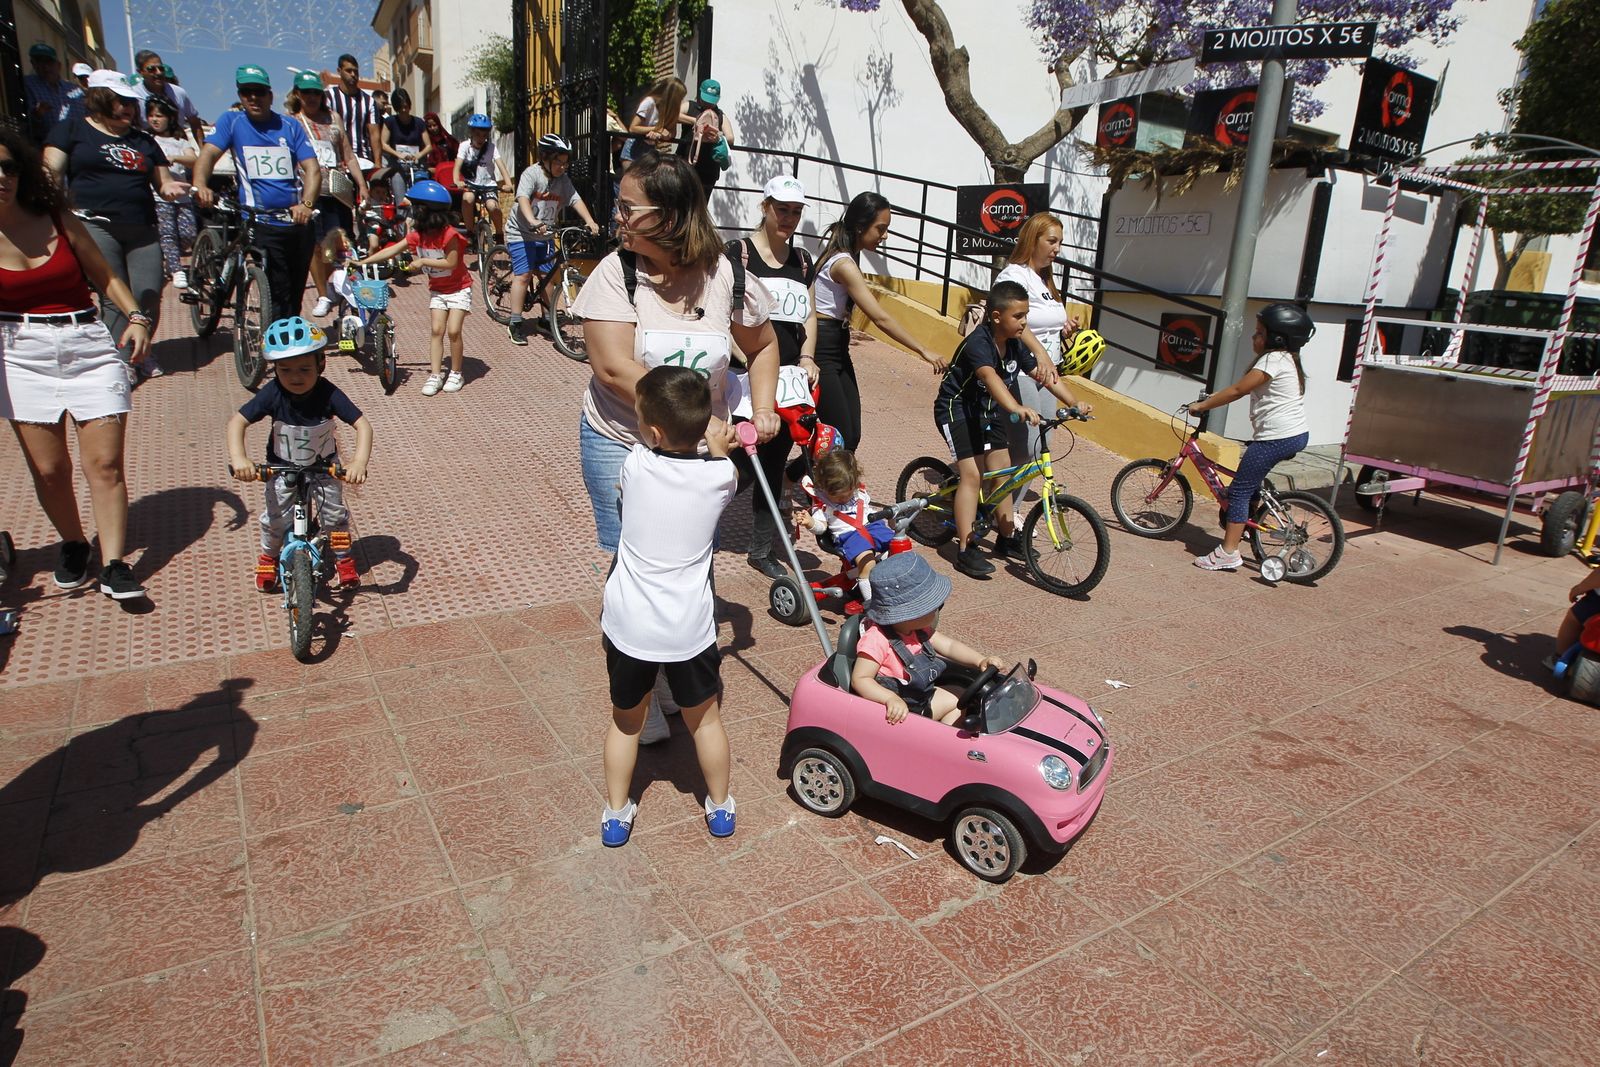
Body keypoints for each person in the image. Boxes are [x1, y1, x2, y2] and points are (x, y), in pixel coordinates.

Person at [0, 127, 153, 600]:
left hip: (87, 342)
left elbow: (104, 274)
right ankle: (73, 543)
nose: (1, 176)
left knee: (104, 464)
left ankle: (113, 563)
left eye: (7, 166)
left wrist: (136, 316)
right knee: (49, 470)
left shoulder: (57, 217)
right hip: (18, 354)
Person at [598, 365, 739, 847]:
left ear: (652, 431)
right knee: (706, 721)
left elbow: (648, 446)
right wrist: (718, 441)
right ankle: (719, 805)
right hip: (689, 630)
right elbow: (719, 461)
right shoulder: (721, 478)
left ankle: (616, 813)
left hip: (629, 624)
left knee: (625, 723)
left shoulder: (635, 464)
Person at [44, 70, 187, 381]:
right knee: (113, 293)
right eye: (119, 101)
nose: (127, 108)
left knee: (148, 293)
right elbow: (50, 171)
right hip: (94, 223)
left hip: (141, 226)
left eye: (130, 102)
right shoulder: (71, 130)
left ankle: (142, 350)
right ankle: (121, 362)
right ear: (99, 100)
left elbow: (162, 183)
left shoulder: (144, 141)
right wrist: (51, 199)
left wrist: (171, 189)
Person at [935, 280, 1084, 578]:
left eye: (1026, 314)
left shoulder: (1015, 345)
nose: (1024, 322)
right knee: (973, 476)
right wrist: (1016, 408)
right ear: (996, 317)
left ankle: (1005, 537)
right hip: (957, 410)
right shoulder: (979, 342)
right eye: (1018, 316)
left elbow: (1045, 376)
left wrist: (1074, 402)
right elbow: (990, 378)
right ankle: (965, 549)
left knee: (1003, 473)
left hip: (987, 411)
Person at [226, 316, 371, 591]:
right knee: (275, 517)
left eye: (305, 369)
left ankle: (343, 559)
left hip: (324, 467)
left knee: (334, 516)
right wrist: (240, 459)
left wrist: (359, 462)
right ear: (275, 370)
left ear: (321, 365)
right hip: (281, 467)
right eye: (285, 370)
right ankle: (269, 556)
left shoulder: (328, 393)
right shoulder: (273, 393)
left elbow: (362, 425)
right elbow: (237, 422)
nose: (295, 377)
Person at [1186, 303, 1314, 571]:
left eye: (1258, 332)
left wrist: (1202, 406)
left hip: (1276, 438)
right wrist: (1212, 399)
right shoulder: (1288, 359)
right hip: (1294, 434)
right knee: (1251, 480)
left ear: (1276, 338)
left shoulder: (1272, 359)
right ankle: (1248, 519)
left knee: (1240, 492)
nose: (1253, 337)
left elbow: (1237, 390)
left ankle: (1228, 552)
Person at [814, 191, 945, 449]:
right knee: (842, 436)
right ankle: (810, 480)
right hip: (823, 348)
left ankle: (798, 475)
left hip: (838, 346)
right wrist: (923, 350)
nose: (884, 236)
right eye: (880, 228)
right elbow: (880, 318)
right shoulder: (843, 263)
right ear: (860, 226)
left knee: (850, 435)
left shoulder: (847, 256)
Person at [735, 174, 818, 578]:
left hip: (788, 380)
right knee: (736, 459)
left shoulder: (802, 260)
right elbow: (721, 308)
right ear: (765, 207)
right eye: (782, 209)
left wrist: (807, 356)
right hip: (742, 377)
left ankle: (761, 548)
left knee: (771, 462)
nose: (789, 218)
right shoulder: (739, 253)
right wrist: (743, 355)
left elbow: (810, 314)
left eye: (796, 211)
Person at [192, 65, 320, 326]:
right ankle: (277, 347)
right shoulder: (232, 121)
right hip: (260, 220)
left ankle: (289, 340)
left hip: (296, 221)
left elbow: (313, 170)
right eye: (246, 92)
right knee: (277, 288)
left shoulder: (290, 125)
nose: (253, 98)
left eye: (259, 92)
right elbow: (207, 155)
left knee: (294, 291)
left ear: (270, 95)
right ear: (240, 95)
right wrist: (200, 184)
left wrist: (306, 205)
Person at [996, 212, 1092, 514]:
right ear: (1032, 239)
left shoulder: (1044, 280)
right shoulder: (1014, 276)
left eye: (1060, 242)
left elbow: (1042, 322)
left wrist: (1063, 329)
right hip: (1020, 369)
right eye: (1051, 241)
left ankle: (1009, 515)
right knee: (1026, 448)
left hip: (1048, 373)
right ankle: (1003, 515)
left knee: (1041, 449)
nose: (1057, 248)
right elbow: (1016, 325)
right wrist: (1040, 352)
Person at [850, 552, 1008, 726]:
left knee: (963, 698)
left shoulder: (918, 629)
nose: (937, 611)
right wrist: (889, 699)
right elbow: (861, 679)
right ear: (908, 614)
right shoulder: (877, 639)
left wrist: (979, 660)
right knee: (959, 701)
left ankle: (944, 738)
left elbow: (949, 646)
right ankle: (939, 739)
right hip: (899, 710)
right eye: (933, 607)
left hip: (921, 698)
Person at [358, 179, 471, 395]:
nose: (412, 215)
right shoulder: (418, 235)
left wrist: (422, 262)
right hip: (438, 290)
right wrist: (363, 262)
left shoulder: (449, 235)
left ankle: (456, 372)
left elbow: (451, 262)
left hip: (459, 288)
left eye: (415, 210)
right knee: (437, 330)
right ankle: (435, 375)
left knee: (454, 331)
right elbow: (390, 251)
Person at [505, 133, 601, 345]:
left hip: (545, 233)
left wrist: (590, 221)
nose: (563, 167)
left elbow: (575, 199)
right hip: (521, 232)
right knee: (523, 276)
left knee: (548, 276)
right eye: (559, 162)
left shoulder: (563, 180)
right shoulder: (532, 174)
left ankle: (547, 320)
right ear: (546, 158)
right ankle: (515, 323)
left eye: (566, 163)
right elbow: (522, 198)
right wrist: (532, 220)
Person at [289, 71, 369, 317]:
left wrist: (362, 184)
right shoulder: (293, 121)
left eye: (316, 92)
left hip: (336, 189)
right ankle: (324, 294)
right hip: (308, 191)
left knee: (342, 243)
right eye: (306, 92)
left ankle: (346, 290)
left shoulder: (334, 118)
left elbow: (347, 153)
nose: (311, 97)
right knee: (314, 246)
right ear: (297, 94)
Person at [795, 449, 891, 600]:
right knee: (867, 563)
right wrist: (810, 523)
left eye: (848, 494)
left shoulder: (858, 492)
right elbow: (821, 528)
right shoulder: (823, 505)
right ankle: (871, 604)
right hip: (850, 536)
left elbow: (868, 509)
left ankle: (891, 578)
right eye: (837, 497)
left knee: (897, 546)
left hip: (872, 526)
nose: (843, 499)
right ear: (824, 489)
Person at [144, 97, 198, 293]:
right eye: (150, 115)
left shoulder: (180, 141)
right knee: (167, 233)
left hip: (183, 197)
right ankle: (176, 269)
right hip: (159, 197)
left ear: (170, 118)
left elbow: (194, 159)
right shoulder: (147, 139)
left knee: (188, 234)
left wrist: (175, 157)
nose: (154, 120)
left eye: (159, 115)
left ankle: (171, 256)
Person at [129, 49, 205, 143]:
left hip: (178, 146)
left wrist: (202, 150)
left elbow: (194, 122)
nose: (158, 73)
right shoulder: (133, 95)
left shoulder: (179, 93)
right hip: (148, 146)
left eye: (161, 68)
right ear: (140, 72)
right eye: (151, 69)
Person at [676, 78, 732, 202]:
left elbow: (730, 137)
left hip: (708, 169)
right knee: (680, 203)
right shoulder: (690, 106)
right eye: (706, 99)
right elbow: (673, 115)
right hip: (685, 165)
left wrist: (718, 136)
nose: (709, 104)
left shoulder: (720, 115)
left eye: (712, 101)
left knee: (700, 205)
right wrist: (694, 121)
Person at [456, 113, 509, 244]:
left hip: (488, 185)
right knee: (468, 199)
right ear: (472, 133)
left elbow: (501, 166)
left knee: (493, 207)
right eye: (478, 135)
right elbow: (457, 165)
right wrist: (457, 180)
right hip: (471, 183)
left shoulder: (491, 148)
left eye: (485, 135)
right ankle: (470, 231)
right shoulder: (464, 146)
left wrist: (508, 183)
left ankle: (499, 232)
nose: (481, 138)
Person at [327, 54, 380, 171]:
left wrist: (378, 163)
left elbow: (374, 134)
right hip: (336, 159)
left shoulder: (369, 101)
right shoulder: (328, 97)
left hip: (364, 158)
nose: (353, 74)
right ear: (339, 71)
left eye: (355, 71)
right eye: (348, 71)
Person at [23, 43, 84, 143]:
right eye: (39, 62)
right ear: (33, 64)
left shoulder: (75, 90)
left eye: (49, 62)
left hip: (77, 146)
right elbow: (24, 126)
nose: (45, 67)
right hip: (46, 146)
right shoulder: (27, 84)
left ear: (59, 65)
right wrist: (37, 115)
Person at [378, 88, 431, 202]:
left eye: (406, 106)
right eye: (401, 107)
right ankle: (401, 216)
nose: (404, 110)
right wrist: (398, 154)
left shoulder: (419, 123)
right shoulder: (390, 122)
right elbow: (383, 144)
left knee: (420, 195)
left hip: (416, 165)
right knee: (400, 195)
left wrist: (419, 155)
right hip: (398, 165)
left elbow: (428, 146)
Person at [621, 77, 686, 168]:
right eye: (680, 98)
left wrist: (666, 135)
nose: (681, 101)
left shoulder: (670, 111)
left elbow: (672, 133)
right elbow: (633, 128)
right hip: (634, 148)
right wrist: (658, 129)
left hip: (649, 150)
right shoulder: (649, 102)